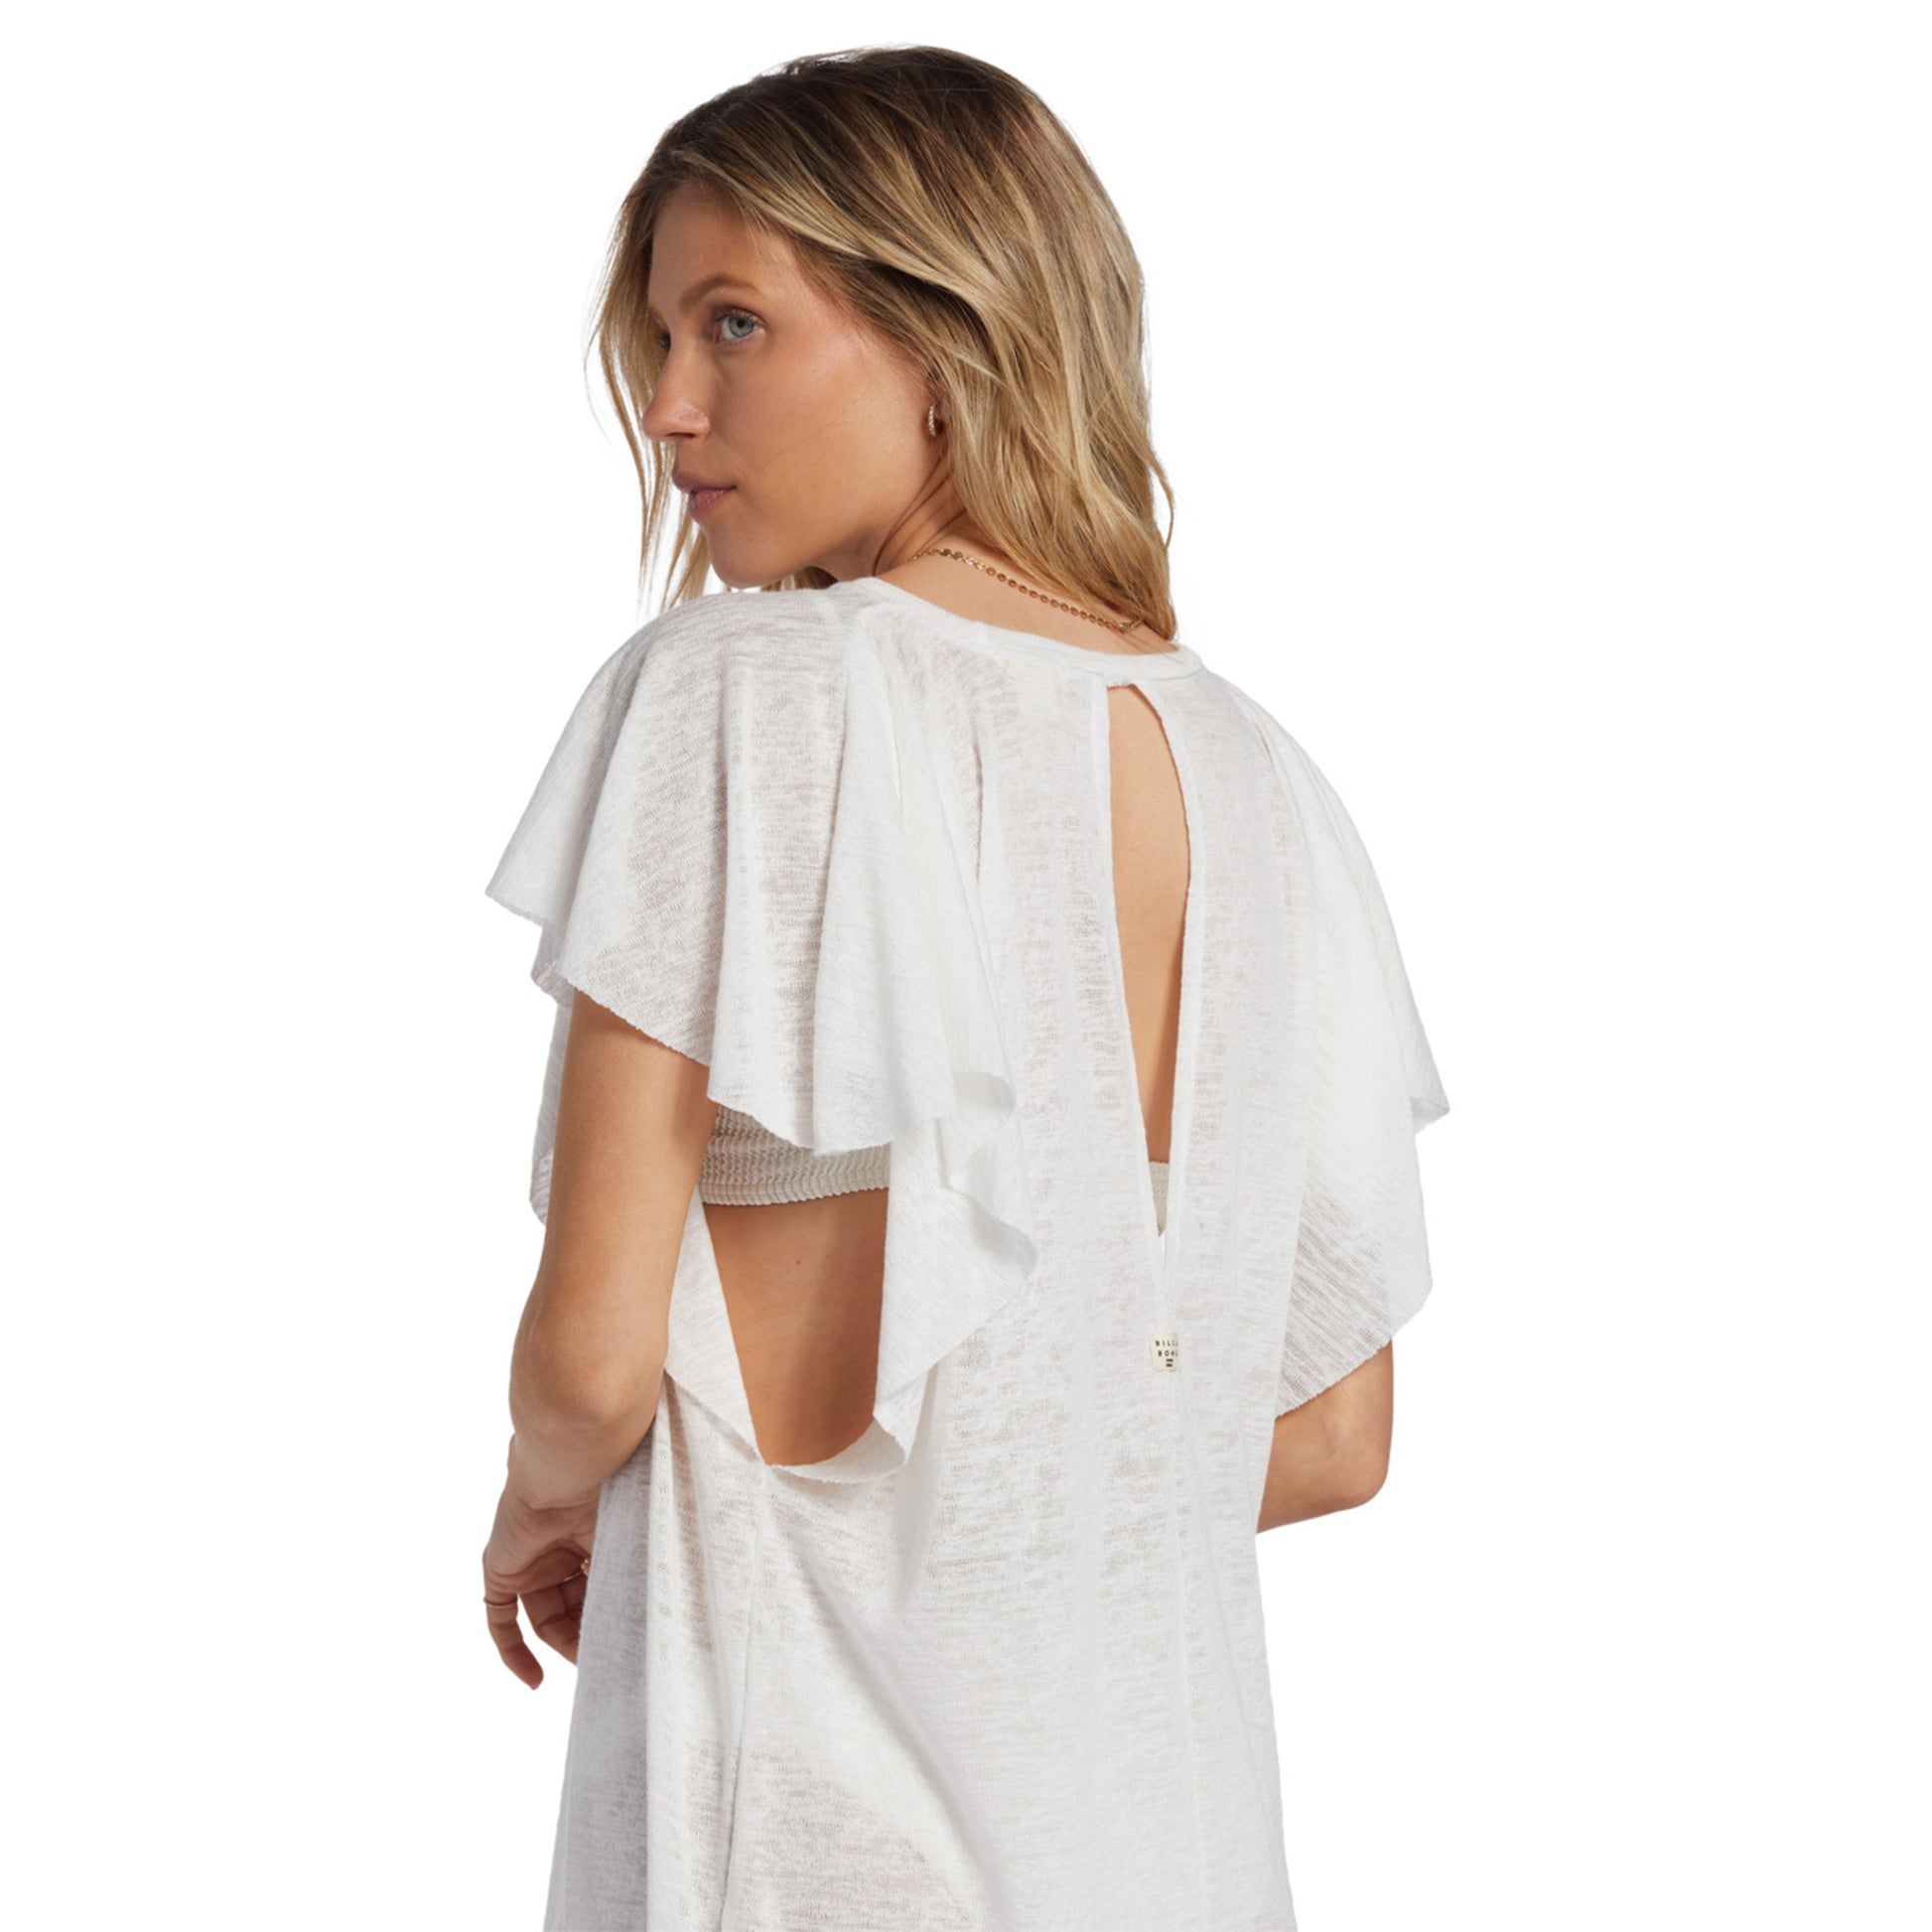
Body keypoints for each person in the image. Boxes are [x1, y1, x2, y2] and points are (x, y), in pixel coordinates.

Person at [479, 45, 1449, 1931]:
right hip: (1167, 1859)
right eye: (662, 337)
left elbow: (589, 1360)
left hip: (816, 1851)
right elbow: (1334, 1436)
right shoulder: (1264, 781)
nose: (671, 407)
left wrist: (541, 1496)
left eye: (734, 323)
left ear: (950, 334)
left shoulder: (740, 692)